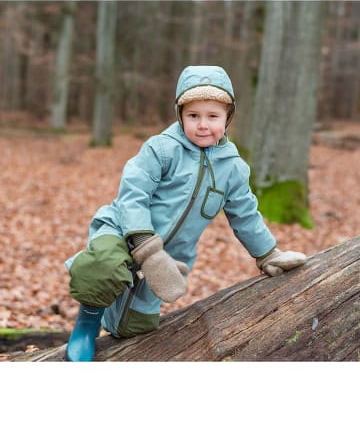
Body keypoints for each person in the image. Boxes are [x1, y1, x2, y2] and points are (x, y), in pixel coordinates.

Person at [64, 65, 307, 361]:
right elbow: (133, 194)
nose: (203, 125)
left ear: (227, 117)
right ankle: (86, 326)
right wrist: (145, 245)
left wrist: (267, 253)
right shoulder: (162, 149)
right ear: (180, 115)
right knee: (103, 266)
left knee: (132, 327)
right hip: (125, 231)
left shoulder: (233, 168)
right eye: (194, 116)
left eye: (212, 116)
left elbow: (245, 214)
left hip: (170, 256)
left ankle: (112, 313)